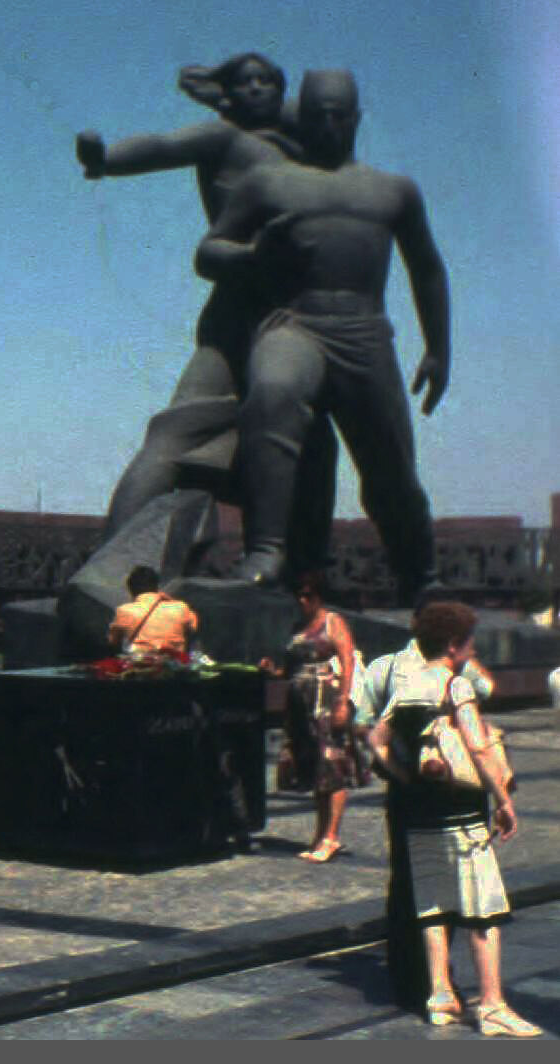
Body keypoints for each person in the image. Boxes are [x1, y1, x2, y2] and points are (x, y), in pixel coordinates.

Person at [77, 53, 338, 572]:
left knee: (312, 447)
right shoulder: (224, 139)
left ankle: (302, 580)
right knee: (176, 434)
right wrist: (105, 159)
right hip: (238, 314)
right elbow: (162, 146)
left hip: (297, 320)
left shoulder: (301, 149)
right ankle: (110, 568)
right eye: (247, 82)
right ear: (229, 95)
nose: (260, 90)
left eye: (269, 82)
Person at [196, 69, 446, 602]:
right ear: (300, 119)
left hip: (365, 332)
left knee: (390, 467)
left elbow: (426, 269)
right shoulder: (268, 184)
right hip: (295, 323)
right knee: (273, 395)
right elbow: (208, 252)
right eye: (316, 116)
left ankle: (419, 573)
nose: (328, 125)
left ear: (356, 118)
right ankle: (265, 549)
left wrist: (438, 348)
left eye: (338, 115)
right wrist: (252, 257)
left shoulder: (392, 190)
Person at [367, 602, 537, 1036]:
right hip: (459, 811)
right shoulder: (454, 685)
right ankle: (493, 1004)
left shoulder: (407, 684)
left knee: (433, 903)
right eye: (469, 641)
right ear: (452, 644)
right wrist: (502, 798)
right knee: (484, 910)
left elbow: (375, 738)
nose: (472, 648)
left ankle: (440, 995)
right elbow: (479, 747)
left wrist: (404, 776)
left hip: (420, 811)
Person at [267, 571, 365, 863]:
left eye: (308, 595)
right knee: (316, 771)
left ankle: (331, 836)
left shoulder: (333, 622)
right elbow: (290, 668)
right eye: (299, 594)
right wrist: (273, 671)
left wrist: (343, 702)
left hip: (325, 701)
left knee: (333, 767)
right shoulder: (298, 626)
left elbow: (348, 661)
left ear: (319, 596)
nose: (302, 600)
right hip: (300, 705)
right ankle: (320, 834)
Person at [107, 565, 198, 656]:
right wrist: (170, 599)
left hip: (141, 664)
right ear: (156, 586)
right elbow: (193, 626)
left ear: (131, 589)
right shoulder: (181, 607)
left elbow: (113, 642)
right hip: (174, 664)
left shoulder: (124, 610)